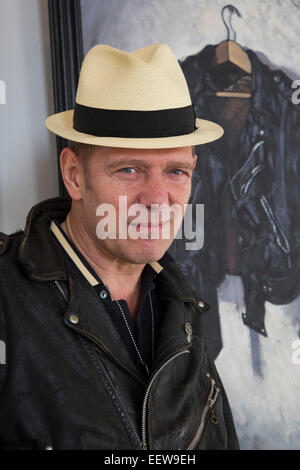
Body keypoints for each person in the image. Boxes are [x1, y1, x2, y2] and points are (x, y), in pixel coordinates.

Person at [0, 43, 239, 450]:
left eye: (176, 172)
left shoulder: (184, 304)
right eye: (129, 170)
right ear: (74, 175)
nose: (158, 199)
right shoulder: (6, 299)